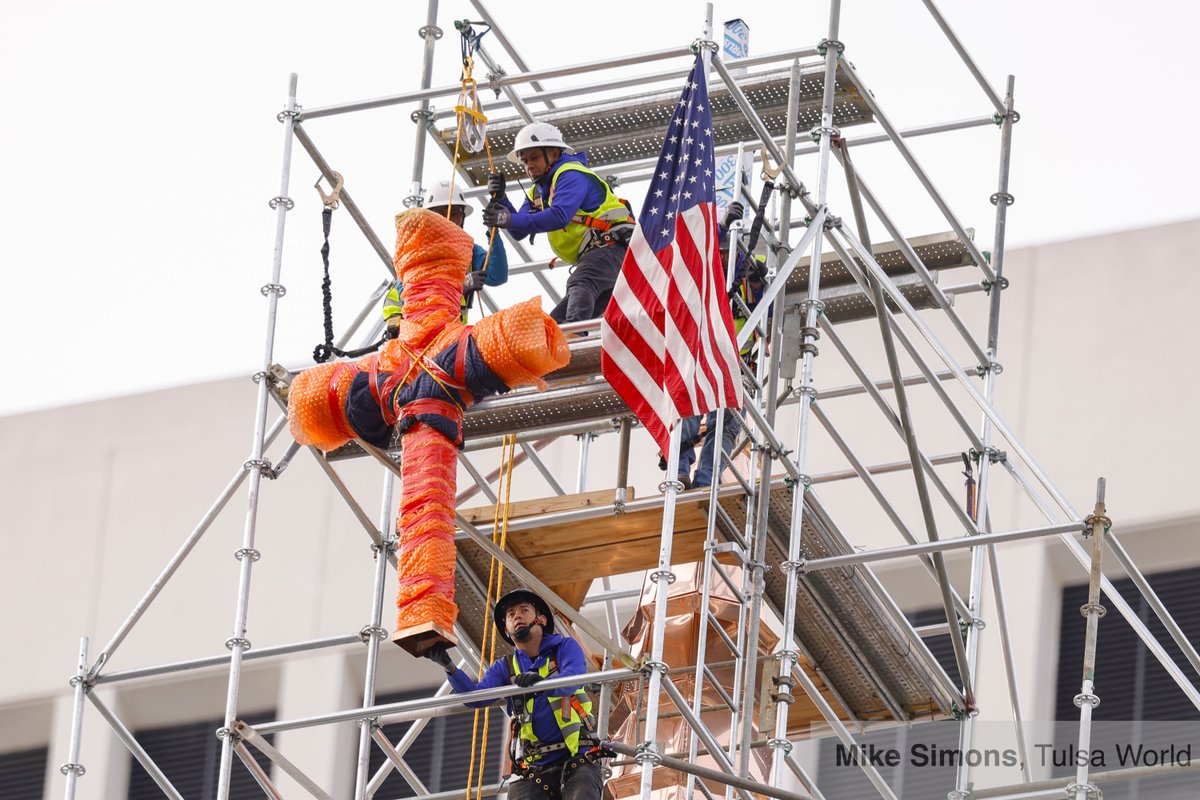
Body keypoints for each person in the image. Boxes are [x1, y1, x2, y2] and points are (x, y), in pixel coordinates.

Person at [424, 589, 607, 800]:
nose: (516, 616)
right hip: (535, 767)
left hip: (579, 757)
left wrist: (540, 683)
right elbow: (476, 698)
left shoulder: (564, 648)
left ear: (541, 620)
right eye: (510, 615)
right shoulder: (506, 668)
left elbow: (572, 679)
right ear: (506, 629)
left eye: (524, 610)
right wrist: (449, 667)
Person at [481, 121, 634, 324]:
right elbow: (518, 231)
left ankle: (574, 336)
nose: (529, 166)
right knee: (556, 322)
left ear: (554, 153)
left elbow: (558, 216)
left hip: (612, 248)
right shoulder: (539, 192)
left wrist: (506, 218)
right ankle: (568, 342)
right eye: (525, 161)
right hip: (600, 258)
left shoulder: (571, 175)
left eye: (534, 157)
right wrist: (502, 200)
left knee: (581, 284)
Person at [672, 201, 768, 490]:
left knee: (723, 426)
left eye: (728, 248)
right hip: (698, 356)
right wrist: (723, 226)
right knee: (686, 413)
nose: (723, 253)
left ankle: (706, 482)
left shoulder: (752, 278)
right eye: (719, 247)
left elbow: (769, 315)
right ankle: (677, 471)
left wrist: (756, 283)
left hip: (732, 365)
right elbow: (694, 250)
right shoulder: (700, 271)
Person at [382, 179, 509, 331]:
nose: (448, 219)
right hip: (418, 336)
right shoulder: (416, 253)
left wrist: (492, 231)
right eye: (441, 214)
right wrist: (462, 286)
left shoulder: (469, 251)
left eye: (454, 213)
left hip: (451, 335)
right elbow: (405, 295)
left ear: (462, 218)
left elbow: (497, 275)